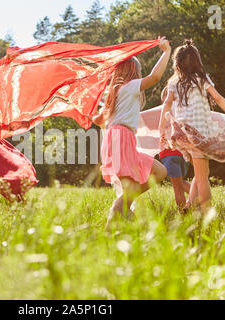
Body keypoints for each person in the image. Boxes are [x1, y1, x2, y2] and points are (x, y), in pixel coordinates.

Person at [159, 39, 225, 212]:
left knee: (200, 173)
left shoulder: (173, 82)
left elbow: (166, 105)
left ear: (177, 63)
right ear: (197, 61)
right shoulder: (202, 79)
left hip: (181, 134)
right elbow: (219, 98)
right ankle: (207, 214)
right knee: (202, 177)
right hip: (198, 135)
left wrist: (161, 129)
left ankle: (189, 205)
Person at [92, 36, 171, 230]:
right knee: (135, 187)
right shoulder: (128, 87)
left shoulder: (116, 92)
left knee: (159, 172)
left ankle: (125, 212)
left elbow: (98, 120)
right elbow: (155, 78)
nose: (140, 75)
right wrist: (167, 52)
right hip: (120, 139)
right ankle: (113, 221)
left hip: (119, 139)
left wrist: (106, 121)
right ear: (132, 72)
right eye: (138, 71)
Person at [158, 87, 193, 210]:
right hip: (183, 155)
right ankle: (199, 199)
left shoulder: (161, 112)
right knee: (180, 183)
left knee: (177, 188)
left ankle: (185, 214)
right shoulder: (182, 113)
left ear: (164, 99)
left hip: (169, 154)